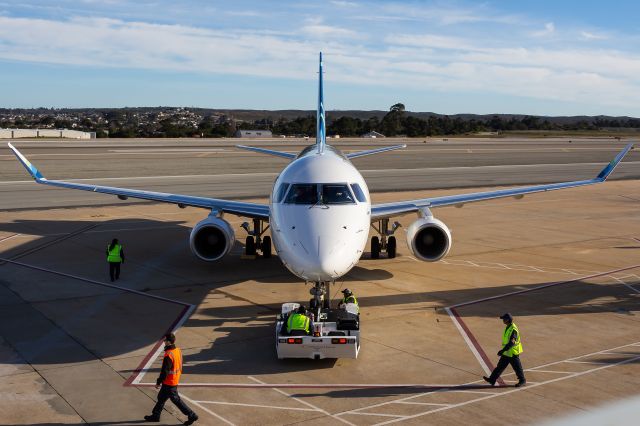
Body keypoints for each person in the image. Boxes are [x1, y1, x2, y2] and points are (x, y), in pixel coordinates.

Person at [144, 333, 198, 425]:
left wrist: (158, 382)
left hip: (170, 382)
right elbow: (180, 365)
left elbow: (165, 371)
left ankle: (191, 415)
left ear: (168, 342)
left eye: (165, 340)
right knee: (161, 398)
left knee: (176, 400)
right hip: (174, 380)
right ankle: (156, 415)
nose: (164, 342)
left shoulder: (168, 355)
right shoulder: (178, 350)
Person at [483, 313, 526, 387]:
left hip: (513, 352)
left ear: (507, 320)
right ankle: (492, 379)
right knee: (500, 366)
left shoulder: (513, 329)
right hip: (507, 352)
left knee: (517, 367)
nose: (503, 320)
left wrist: (502, 351)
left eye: (504, 319)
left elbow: (512, 342)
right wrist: (504, 351)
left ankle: (522, 380)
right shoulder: (508, 327)